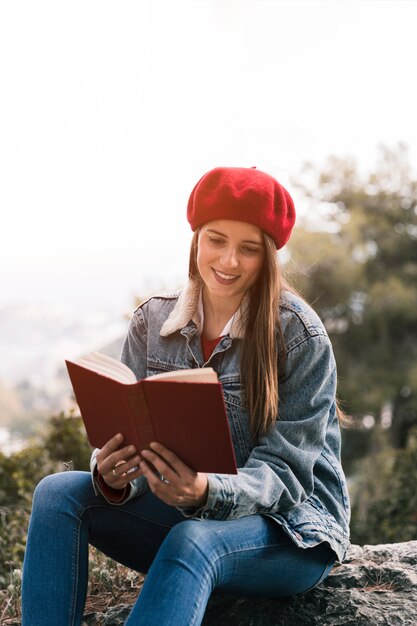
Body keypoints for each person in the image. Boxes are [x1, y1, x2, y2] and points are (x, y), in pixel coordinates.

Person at [21, 166, 351, 626]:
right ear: (196, 238)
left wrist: (204, 491)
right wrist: (117, 475)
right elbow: (135, 433)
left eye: (249, 249)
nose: (229, 261)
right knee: (57, 493)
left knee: (192, 539)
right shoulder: (152, 324)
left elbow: (287, 477)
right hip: (188, 514)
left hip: (291, 532)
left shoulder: (299, 337)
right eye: (216, 240)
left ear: (269, 256)